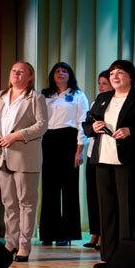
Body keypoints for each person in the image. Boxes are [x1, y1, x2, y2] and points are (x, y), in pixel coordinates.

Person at [82, 60, 135, 268]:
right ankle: (109, 256)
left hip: (128, 161)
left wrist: (130, 131)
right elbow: (87, 123)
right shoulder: (103, 98)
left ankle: (128, 257)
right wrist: (93, 128)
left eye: (120, 72)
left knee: (128, 210)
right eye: (112, 73)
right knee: (107, 210)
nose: (114, 76)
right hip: (102, 159)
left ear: (131, 77)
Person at [0, 61, 48, 262]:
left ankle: (24, 245)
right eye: (14, 70)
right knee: (9, 203)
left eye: (21, 72)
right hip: (1, 156)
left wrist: (16, 136)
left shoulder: (36, 97)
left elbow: (42, 126)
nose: (16, 74)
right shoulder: (0, 96)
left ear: (30, 76)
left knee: (26, 203)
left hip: (25, 157)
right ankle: (10, 242)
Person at [39, 62, 89, 247]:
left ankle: (67, 233)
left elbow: (83, 123)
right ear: (52, 75)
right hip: (47, 141)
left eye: (64, 71)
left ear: (70, 75)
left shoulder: (78, 95)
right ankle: (48, 232)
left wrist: (79, 151)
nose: (60, 73)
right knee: (49, 188)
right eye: (57, 71)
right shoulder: (44, 95)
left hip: (69, 141)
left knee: (69, 188)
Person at [82, 71, 112, 249]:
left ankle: (104, 235)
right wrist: (93, 127)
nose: (100, 86)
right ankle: (95, 232)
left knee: (104, 196)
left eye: (104, 83)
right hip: (92, 153)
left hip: (107, 153)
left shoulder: (117, 102)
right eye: (99, 83)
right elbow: (86, 125)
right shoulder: (96, 102)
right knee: (92, 195)